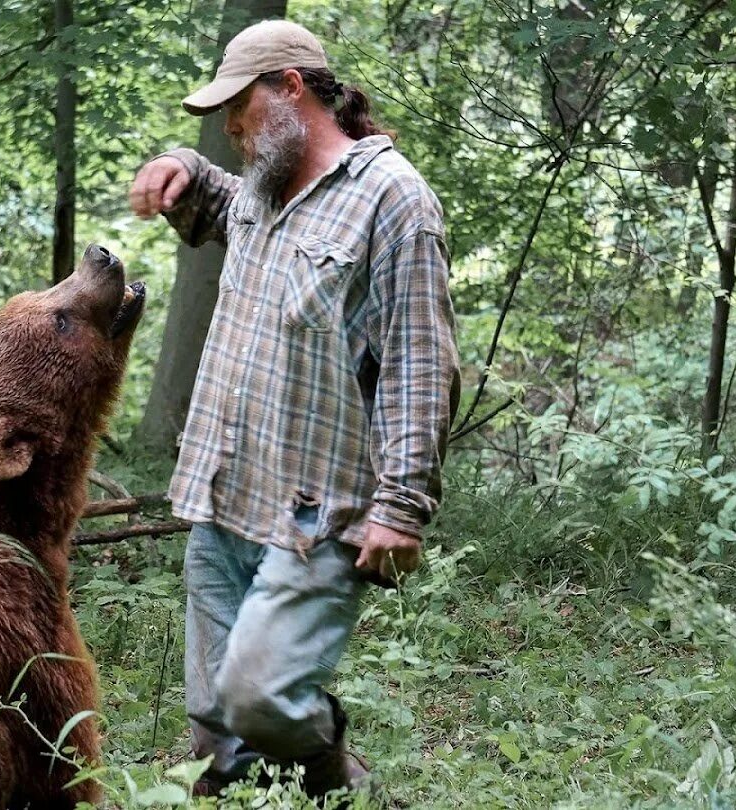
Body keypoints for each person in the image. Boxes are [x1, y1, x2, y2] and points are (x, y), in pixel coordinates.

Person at [128, 19, 461, 798]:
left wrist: (402, 508)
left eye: (238, 108)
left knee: (260, 699)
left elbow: (420, 360)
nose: (231, 128)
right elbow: (216, 201)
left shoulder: (393, 200)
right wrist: (177, 164)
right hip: (225, 491)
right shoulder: (263, 187)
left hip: (315, 511)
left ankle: (336, 769)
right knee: (215, 723)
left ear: (290, 87)